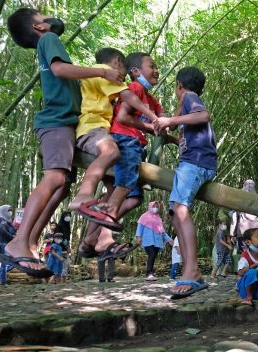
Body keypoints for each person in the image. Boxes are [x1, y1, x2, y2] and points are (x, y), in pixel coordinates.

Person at [5, 8, 124, 277]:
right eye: (42, 15)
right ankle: (19, 241)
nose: (48, 17)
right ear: (39, 27)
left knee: (61, 188)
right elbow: (60, 69)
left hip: (66, 124)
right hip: (56, 121)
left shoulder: (44, 41)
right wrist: (101, 73)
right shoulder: (49, 39)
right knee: (55, 179)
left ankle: (30, 243)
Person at [86, 52, 171, 262]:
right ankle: (105, 227)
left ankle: (90, 238)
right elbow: (123, 117)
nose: (156, 70)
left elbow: (163, 121)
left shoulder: (150, 97)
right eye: (151, 65)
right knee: (125, 190)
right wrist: (152, 125)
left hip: (134, 143)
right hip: (124, 140)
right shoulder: (134, 88)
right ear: (135, 71)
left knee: (131, 197)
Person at [69, 48, 160, 234]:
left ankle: (102, 235)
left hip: (102, 130)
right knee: (113, 152)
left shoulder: (99, 74)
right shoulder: (102, 72)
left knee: (112, 186)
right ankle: (84, 194)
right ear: (117, 62)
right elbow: (127, 98)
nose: (122, 79)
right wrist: (153, 117)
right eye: (123, 74)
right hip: (93, 128)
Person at [153, 66, 217, 299]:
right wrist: (170, 137)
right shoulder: (189, 101)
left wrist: (170, 119)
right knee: (174, 211)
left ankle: (192, 269)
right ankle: (192, 269)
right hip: (193, 163)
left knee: (180, 210)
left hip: (196, 163)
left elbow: (203, 116)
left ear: (179, 85)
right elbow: (190, 135)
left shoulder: (190, 97)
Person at [135, 201, 173, 281]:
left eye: (156, 206)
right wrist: (138, 237)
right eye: (153, 206)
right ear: (150, 206)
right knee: (151, 254)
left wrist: (169, 239)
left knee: (153, 256)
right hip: (148, 240)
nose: (155, 208)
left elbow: (162, 231)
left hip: (157, 241)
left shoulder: (158, 218)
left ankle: (150, 273)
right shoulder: (144, 216)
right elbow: (140, 227)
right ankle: (149, 273)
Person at [229, 179, 258, 252]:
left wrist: (232, 234)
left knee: (245, 252)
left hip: (243, 231)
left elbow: (234, 217)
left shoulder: (240, 199)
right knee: (257, 252)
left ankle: (246, 263)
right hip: (256, 230)